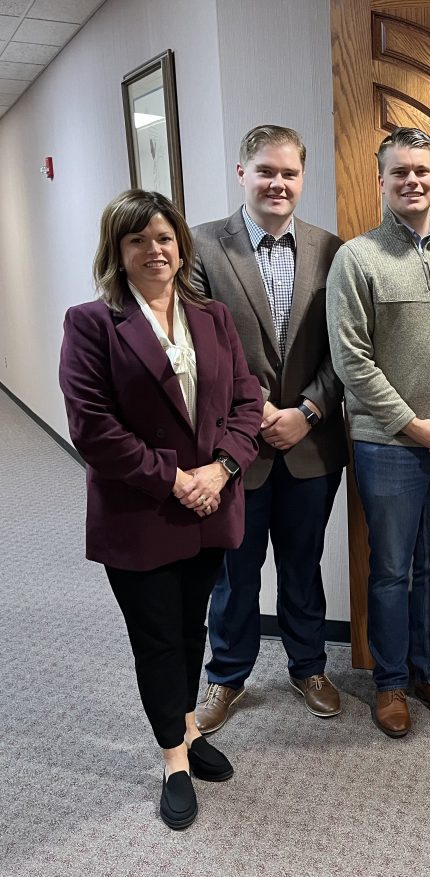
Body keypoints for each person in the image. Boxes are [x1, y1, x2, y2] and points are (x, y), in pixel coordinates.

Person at [58, 190, 262, 830]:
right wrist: (175, 479)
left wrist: (222, 469)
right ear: (117, 252)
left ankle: (190, 729)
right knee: (156, 637)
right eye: (138, 240)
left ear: (182, 245)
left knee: (191, 628)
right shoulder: (92, 323)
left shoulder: (213, 318)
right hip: (142, 513)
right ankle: (175, 758)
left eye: (165, 238)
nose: (156, 251)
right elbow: (93, 428)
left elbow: (248, 402)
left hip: (210, 504)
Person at [327, 127, 430, 738]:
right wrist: (411, 424)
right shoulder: (357, 258)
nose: (413, 181)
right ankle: (391, 683)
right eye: (399, 172)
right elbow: (351, 359)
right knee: (392, 567)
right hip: (387, 445)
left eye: (422, 170)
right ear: (381, 181)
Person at [191, 125, 347, 734]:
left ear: (302, 179)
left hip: (311, 443)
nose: (277, 183)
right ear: (241, 173)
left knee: (303, 564)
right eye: (265, 171)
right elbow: (202, 346)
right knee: (235, 570)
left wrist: (307, 411)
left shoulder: (332, 250)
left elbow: (347, 349)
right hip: (236, 446)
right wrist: (258, 415)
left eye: (288, 173)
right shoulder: (202, 246)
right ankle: (226, 675)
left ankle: (308, 666)